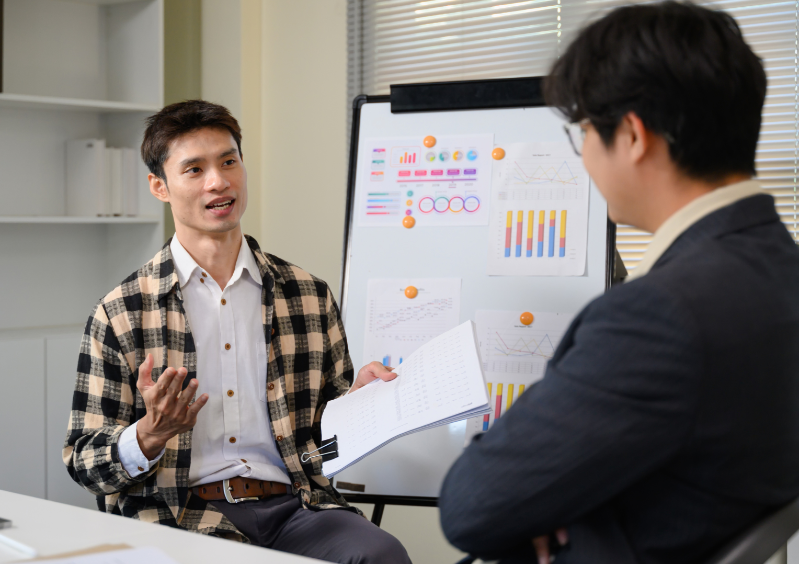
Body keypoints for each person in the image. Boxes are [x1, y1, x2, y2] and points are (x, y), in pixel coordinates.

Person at [438, 3, 799, 563]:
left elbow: (471, 504)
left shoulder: (660, 313)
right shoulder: (781, 269)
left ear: (632, 135)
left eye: (583, 131)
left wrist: (547, 506)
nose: (582, 154)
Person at [63, 100, 410, 564]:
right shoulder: (121, 313)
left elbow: (328, 437)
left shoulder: (307, 294)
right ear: (159, 187)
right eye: (194, 168)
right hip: (179, 514)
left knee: (380, 553)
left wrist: (362, 404)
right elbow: (84, 462)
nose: (218, 181)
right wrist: (148, 434)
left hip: (297, 507)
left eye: (229, 161)